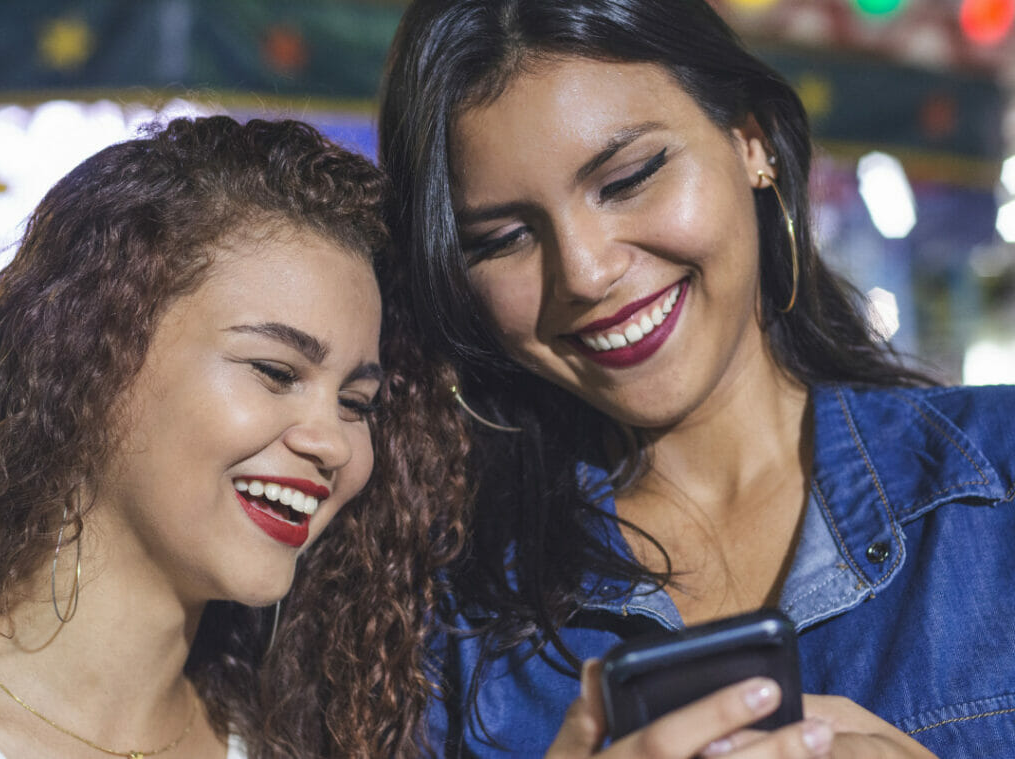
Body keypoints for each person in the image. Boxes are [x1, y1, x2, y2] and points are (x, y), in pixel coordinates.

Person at [377, 1, 1015, 757]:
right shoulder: (449, 624)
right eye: (506, 237)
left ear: (752, 143)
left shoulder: (994, 481)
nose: (585, 272)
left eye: (629, 177)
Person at [0, 116, 466, 758]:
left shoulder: (305, 741)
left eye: (357, 403)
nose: (335, 445)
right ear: (92, 357)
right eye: (275, 372)